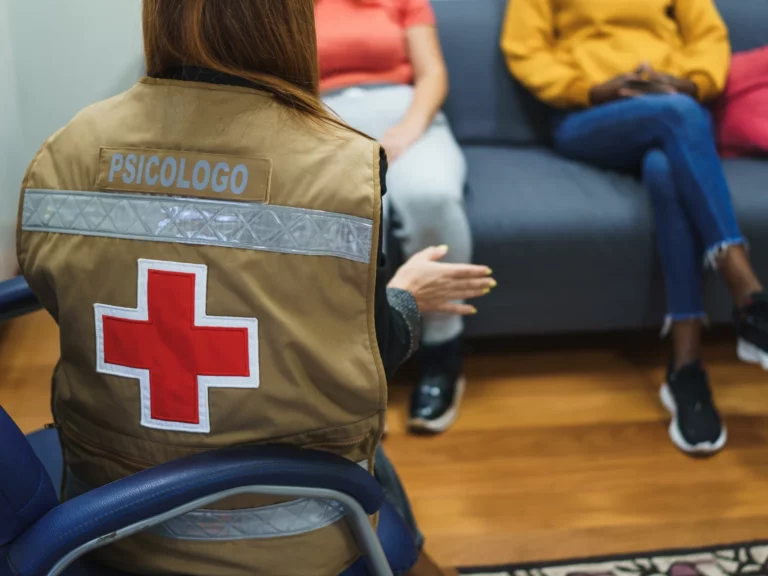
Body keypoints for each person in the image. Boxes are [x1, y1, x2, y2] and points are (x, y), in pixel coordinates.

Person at [16, 0, 493, 574]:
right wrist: (409, 298)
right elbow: (370, 352)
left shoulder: (65, 149)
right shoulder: (341, 165)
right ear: (291, 23)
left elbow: (56, 295)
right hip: (292, 532)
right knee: (376, 462)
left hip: (102, 512)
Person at [501, 0, 768, 455]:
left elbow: (708, 37)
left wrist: (687, 82)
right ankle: (744, 287)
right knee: (681, 115)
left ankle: (686, 368)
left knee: (666, 168)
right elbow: (526, 49)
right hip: (590, 116)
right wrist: (591, 88)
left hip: (670, 103)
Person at [316, 0, 481, 434]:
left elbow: (432, 73)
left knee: (432, 198)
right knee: (347, 208)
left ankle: (443, 354)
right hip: (323, 119)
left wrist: (409, 129)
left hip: (405, 114)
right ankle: (358, 371)